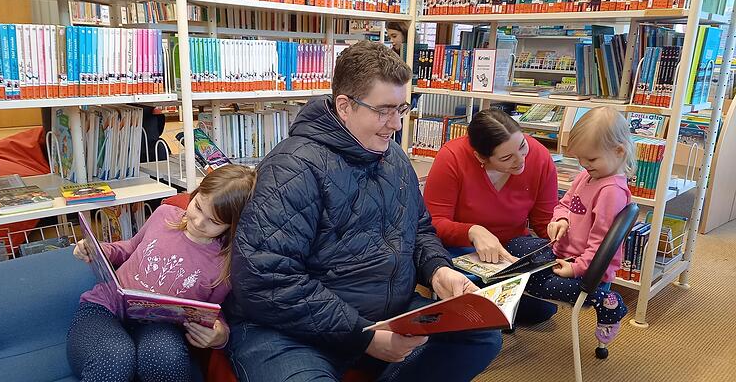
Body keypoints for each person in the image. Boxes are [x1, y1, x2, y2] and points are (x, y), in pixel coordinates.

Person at [225, 40, 502, 382]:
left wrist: (437, 271)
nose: (397, 123)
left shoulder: (395, 158)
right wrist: (364, 335)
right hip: (290, 330)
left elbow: (419, 231)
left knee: (480, 333)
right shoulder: (292, 167)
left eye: (402, 108)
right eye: (384, 110)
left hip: (385, 315)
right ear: (345, 106)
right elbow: (266, 279)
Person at [67, 165, 257, 382]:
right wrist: (98, 249)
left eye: (213, 222)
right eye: (197, 207)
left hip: (160, 326)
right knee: (115, 358)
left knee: (165, 358)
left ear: (231, 226)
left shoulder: (225, 266)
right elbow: (129, 248)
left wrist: (220, 335)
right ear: (193, 195)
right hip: (104, 308)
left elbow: (214, 312)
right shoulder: (164, 214)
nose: (198, 221)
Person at [506, 107, 633, 344]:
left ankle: (605, 301)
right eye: (580, 159)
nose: (584, 165)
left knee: (523, 277)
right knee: (514, 246)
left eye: (591, 159)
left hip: (587, 272)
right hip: (563, 254)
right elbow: (564, 204)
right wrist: (560, 220)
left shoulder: (611, 193)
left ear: (619, 151)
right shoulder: (587, 176)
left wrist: (576, 269)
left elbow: (600, 246)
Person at [423, 108, 560, 324]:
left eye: (523, 146)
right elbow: (432, 223)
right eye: (506, 158)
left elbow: (545, 222)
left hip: (512, 252)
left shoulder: (539, 156)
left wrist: (564, 243)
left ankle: (487, 304)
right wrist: (472, 231)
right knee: (483, 306)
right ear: (480, 157)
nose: (521, 160)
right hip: (460, 250)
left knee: (543, 309)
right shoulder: (452, 158)